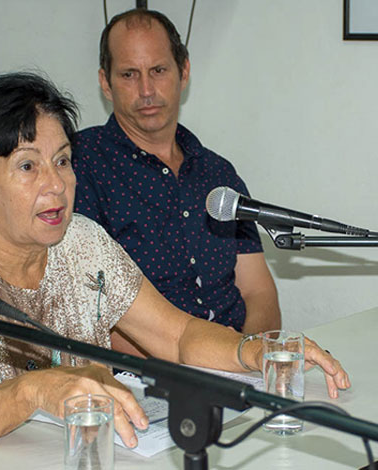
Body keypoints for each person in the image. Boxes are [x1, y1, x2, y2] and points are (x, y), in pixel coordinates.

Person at [0, 72, 349, 469]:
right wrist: (33, 390)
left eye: (63, 161)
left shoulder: (85, 241)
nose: (56, 185)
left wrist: (256, 351)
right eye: (28, 167)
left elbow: (177, 336)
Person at [72, 9, 281, 357]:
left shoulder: (218, 172)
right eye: (128, 74)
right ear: (105, 83)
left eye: (158, 70)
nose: (146, 90)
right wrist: (198, 364)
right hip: (148, 376)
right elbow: (86, 313)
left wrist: (248, 355)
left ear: (183, 72)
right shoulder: (81, 165)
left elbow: (259, 291)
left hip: (237, 366)